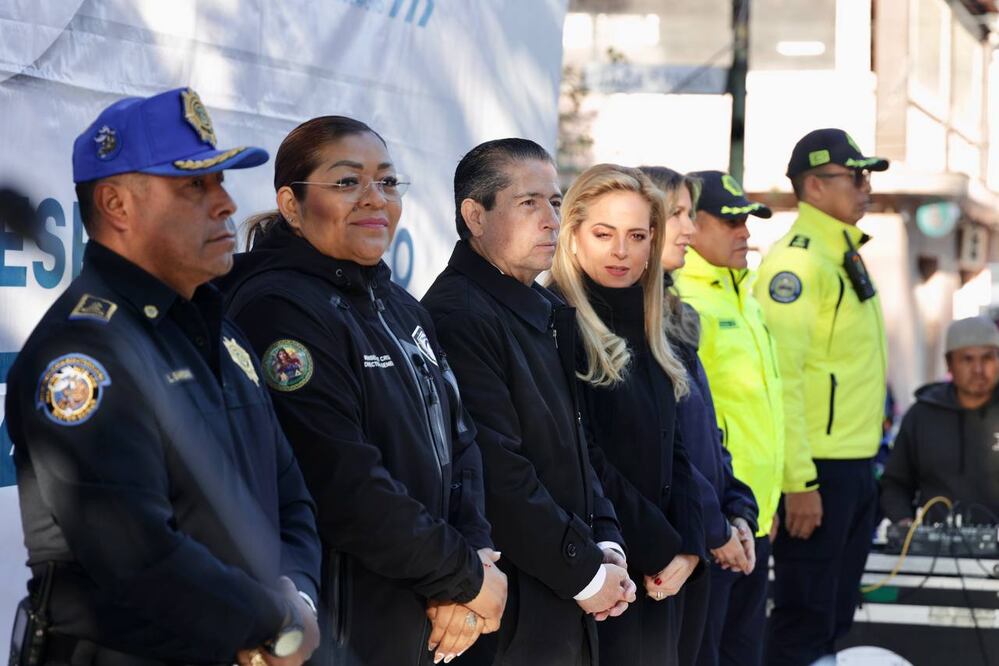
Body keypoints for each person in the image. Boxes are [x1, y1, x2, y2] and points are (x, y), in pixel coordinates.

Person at [5, 87, 322, 666]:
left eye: (221, 181)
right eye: (194, 186)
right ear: (117, 205)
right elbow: (137, 556)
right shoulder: (82, 354)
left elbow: (291, 496)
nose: (226, 203)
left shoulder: (221, 332)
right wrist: (272, 623)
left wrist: (297, 598)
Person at [218, 116, 506, 666]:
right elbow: (341, 482)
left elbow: (462, 443)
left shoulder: (401, 307)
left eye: (388, 182)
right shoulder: (277, 307)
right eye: (348, 182)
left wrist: (474, 558)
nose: (375, 198)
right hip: (337, 633)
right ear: (292, 204)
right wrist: (464, 575)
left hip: (423, 618)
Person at [422, 139, 636, 666]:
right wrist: (586, 574)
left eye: (556, 202)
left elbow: (577, 448)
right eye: (528, 203)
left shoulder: (539, 306)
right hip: (507, 610)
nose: (551, 220)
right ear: (475, 215)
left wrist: (607, 544)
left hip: (560, 595)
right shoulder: (459, 314)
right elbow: (496, 472)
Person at [546, 163, 704, 665]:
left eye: (636, 236)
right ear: (573, 236)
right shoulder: (554, 322)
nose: (621, 251)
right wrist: (663, 545)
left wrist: (689, 546)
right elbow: (583, 457)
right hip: (600, 574)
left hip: (662, 575)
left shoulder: (651, 324)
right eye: (603, 233)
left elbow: (675, 448)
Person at [755, 128, 889, 666]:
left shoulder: (842, 254)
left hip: (855, 463)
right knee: (803, 617)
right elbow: (781, 379)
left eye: (867, 176)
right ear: (813, 185)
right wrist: (799, 482)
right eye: (854, 176)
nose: (865, 187)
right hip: (819, 470)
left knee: (833, 616)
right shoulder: (797, 263)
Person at [641, 166, 761, 666]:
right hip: (676, 544)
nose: (688, 228)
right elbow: (660, 448)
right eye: (677, 214)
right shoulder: (631, 321)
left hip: (713, 532)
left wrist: (739, 508)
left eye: (690, 214)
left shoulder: (675, 312)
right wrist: (713, 528)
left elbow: (707, 430)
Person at [673, 169, 783, 666]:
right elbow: (687, 432)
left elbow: (760, 410)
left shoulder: (745, 297)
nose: (744, 231)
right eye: (730, 221)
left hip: (748, 517)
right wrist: (718, 522)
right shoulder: (685, 300)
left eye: (747, 220)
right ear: (691, 224)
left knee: (744, 653)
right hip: (710, 523)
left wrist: (764, 506)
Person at [881, 316, 999, 525]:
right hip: (936, 542)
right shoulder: (922, 415)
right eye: (967, 359)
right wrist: (903, 521)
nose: (978, 370)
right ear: (949, 364)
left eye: (987, 358)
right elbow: (895, 483)